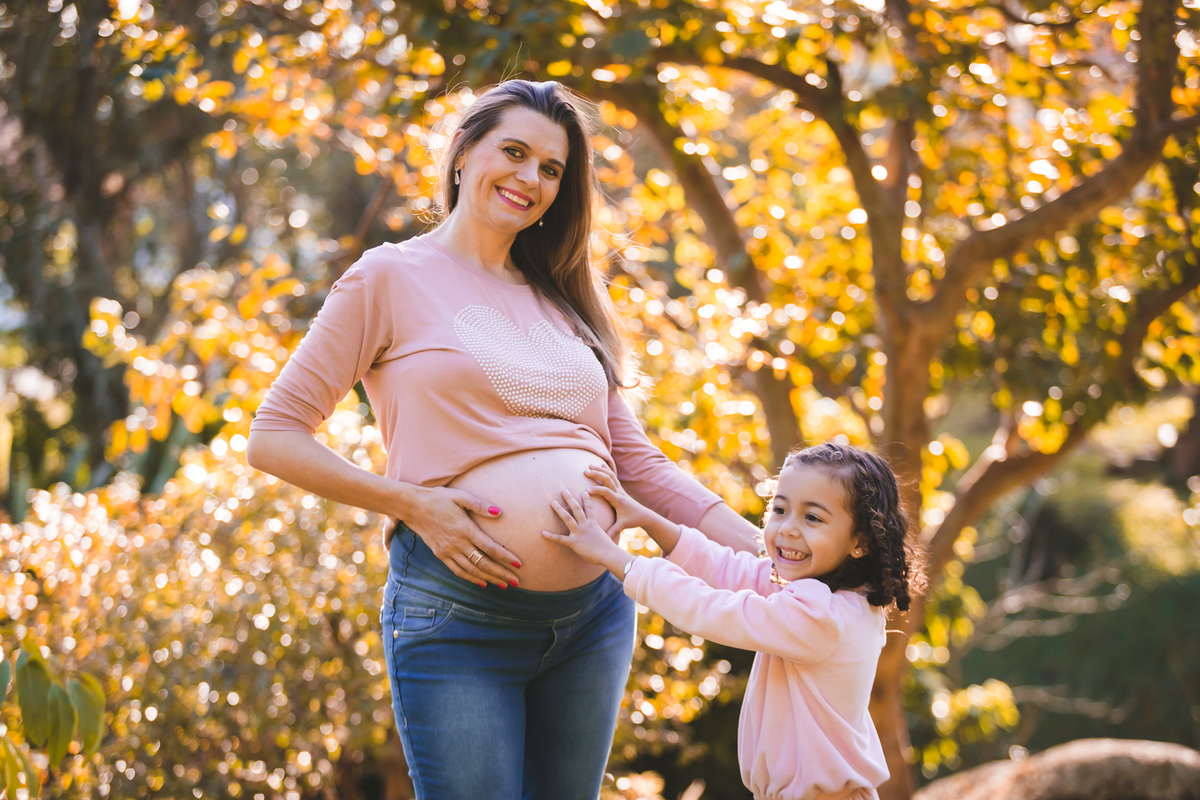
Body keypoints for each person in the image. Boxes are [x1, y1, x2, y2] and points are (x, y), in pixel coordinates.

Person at [245, 78, 760, 800]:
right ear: (462, 154)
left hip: (593, 619)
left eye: (552, 169)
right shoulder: (389, 277)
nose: (531, 179)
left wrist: (772, 559)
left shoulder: (563, 295)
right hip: (458, 619)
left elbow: (637, 463)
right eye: (514, 152)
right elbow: (273, 436)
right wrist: (413, 504)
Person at [543, 442, 918, 800]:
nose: (787, 528)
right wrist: (646, 519)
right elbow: (734, 570)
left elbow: (713, 609)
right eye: (780, 509)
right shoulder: (827, 595)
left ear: (861, 542)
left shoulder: (821, 617)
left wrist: (616, 559)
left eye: (813, 517)